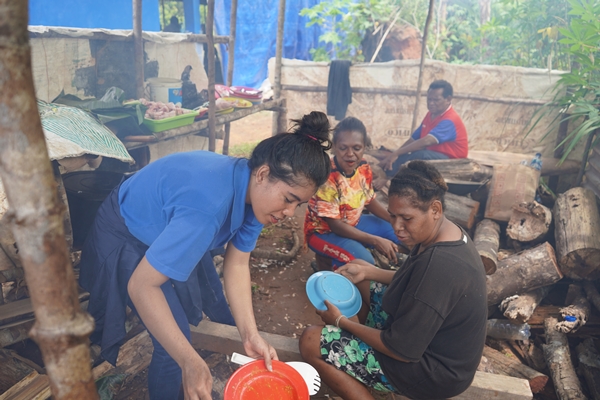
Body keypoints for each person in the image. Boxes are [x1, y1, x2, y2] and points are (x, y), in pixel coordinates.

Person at [78, 111, 332, 400]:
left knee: (182, 327)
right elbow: (141, 286)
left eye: (298, 204)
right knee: (173, 349)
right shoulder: (208, 208)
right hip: (128, 233)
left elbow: (237, 263)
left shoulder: (254, 194)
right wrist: (189, 361)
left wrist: (250, 335)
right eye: (288, 199)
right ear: (262, 174)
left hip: (165, 227)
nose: (289, 213)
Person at [299, 161, 487, 400]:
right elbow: (415, 282)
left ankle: (366, 378)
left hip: (431, 372)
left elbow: (401, 349)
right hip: (423, 342)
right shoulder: (443, 233)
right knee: (360, 272)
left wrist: (341, 321)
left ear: (435, 209)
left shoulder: (441, 266)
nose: (397, 227)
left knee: (311, 340)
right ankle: (360, 358)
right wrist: (369, 272)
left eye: (406, 218)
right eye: (393, 215)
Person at [304, 117, 399, 269]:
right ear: (335, 147)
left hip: (354, 223)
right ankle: (331, 274)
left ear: (364, 147)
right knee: (364, 262)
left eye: (356, 148)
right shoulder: (327, 175)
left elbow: (369, 200)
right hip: (323, 232)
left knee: (397, 231)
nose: (350, 154)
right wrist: (375, 240)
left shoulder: (363, 166)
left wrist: (393, 219)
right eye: (343, 148)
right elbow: (335, 226)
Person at [375, 80, 468, 189]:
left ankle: (392, 181)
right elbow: (414, 138)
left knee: (420, 155)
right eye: (429, 99)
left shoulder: (450, 119)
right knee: (404, 154)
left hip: (452, 161)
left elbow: (426, 141)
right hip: (433, 155)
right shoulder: (430, 115)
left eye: (436, 100)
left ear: (448, 99)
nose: (431, 103)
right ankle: (383, 173)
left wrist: (397, 153)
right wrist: (394, 155)